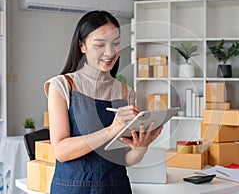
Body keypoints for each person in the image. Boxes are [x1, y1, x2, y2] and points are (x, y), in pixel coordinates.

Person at [44, 10, 163, 194]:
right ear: (82, 46)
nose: (109, 52)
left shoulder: (126, 93)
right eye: (100, 44)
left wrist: (140, 149)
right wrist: (111, 130)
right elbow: (61, 151)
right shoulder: (61, 85)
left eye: (115, 43)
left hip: (116, 188)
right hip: (71, 188)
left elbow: (124, 159)